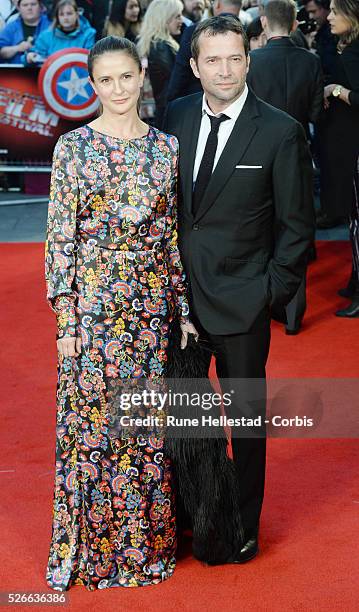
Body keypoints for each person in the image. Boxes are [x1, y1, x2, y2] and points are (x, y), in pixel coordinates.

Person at [45, 35, 197, 590]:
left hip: (149, 308)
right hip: (91, 308)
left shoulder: (165, 149)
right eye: (105, 80)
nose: (117, 89)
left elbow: (170, 237)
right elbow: (60, 239)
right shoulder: (73, 149)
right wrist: (66, 320)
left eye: (125, 77)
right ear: (92, 85)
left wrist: (179, 308)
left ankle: (145, 548)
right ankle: (99, 552)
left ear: (142, 78)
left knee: (143, 426)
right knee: (94, 429)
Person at [163, 15, 314, 562]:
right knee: (184, 423)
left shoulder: (279, 130)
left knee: (246, 426)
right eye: (213, 60)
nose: (224, 70)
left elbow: (297, 226)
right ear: (196, 65)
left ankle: (243, 525)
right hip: (177, 304)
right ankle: (191, 517)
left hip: (243, 304)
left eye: (234, 58)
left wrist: (268, 293)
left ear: (248, 62)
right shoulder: (174, 117)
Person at [247, 0, 322, 334]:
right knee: (295, 229)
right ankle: (293, 313)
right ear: (294, 23)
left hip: (257, 158)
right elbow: (318, 115)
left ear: (264, 22)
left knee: (261, 230)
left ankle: (266, 302)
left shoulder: (253, 62)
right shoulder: (311, 61)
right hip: (300, 153)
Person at [321, 0, 359, 317]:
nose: (329, 16)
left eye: (335, 10)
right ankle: (355, 282)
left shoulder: (355, 49)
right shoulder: (349, 45)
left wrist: (336, 91)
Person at [167, 0, 242, 103]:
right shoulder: (252, 33)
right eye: (212, 60)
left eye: (235, 59)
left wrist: (170, 109)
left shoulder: (194, 32)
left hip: (196, 106)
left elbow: (179, 76)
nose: (225, 72)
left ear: (217, 4)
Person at [137, 0, 183, 127]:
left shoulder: (152, 43)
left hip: (158, 112)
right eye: (177, 16)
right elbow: (176, 82)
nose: (182, 20)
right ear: (165, 18)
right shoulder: (161, 47)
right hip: (167, 113)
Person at [25, 0, 95, 64]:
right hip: (51, 77)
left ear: (77, 15)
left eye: (69, 13)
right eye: (61, 14)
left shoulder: (88, 34)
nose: (65, 18)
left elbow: (92, 60)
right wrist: (29, 57)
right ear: (57, 17)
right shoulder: (46, 36)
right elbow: (34, 54)